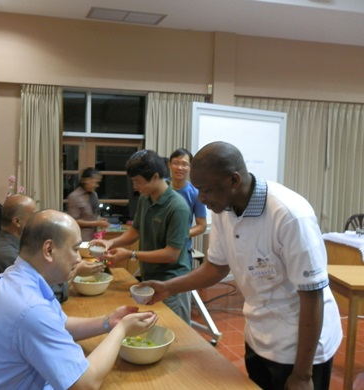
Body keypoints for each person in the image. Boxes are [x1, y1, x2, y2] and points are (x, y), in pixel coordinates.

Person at [141, 141, 342, 390]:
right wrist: (168, 287)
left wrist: (302, 375)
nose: (201, 199)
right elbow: (216, 267)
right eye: (198, 190)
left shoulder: (290, 215)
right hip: (259, 334)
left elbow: (312, 295)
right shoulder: (223, 207)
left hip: (300, 346)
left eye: (206, 190)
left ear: (233, 180)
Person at [0, 210, 158, 390]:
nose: (79, 259)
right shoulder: (30, 308)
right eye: (74, 249)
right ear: (49, 250)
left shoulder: (15, 277)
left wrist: (109, 322)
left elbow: (60, 324)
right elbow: (86, 384)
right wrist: (122, 329)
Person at [92, 150, 191, 323]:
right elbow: (135, 231)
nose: (135, 187)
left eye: (137, 182)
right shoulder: (146, 199)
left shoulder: (178, 207)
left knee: (175, 329)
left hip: (172, 283)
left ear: (154, 177)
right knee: (152, 325)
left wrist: (131, 254)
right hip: (150, 278)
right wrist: (110, 242)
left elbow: (171, 254)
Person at [0, 194, 104, 314]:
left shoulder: (15, 243)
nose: (38, 219)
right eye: (33, 215)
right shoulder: (9, 255)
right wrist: (77, 270)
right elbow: (48, 293)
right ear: (17, 222)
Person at [168, 148, 207, 267]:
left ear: (191, 167)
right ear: (169, 165)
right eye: (176, 163)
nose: (180, 168)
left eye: (184, 164)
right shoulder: (160, 188)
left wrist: (181, 234)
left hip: (182, 249)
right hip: (157, 247)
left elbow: (202, 226)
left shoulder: (195, 193)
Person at [67, 167, 110, 241]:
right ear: (85, 180)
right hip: (81, 238)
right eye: (95, 182)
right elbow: (74, 221)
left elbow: (94, 214)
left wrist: (99, 220)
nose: (97, 185)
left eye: (98, 182)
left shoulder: (94, 194)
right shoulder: (74, 196)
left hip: (94, 237)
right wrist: (96, 223)